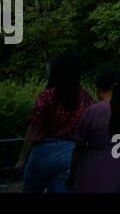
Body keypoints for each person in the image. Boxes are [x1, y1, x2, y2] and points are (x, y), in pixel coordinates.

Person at [16, 53, 93, 193]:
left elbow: (33, 128)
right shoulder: (86, 97)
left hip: (42, 151)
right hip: (70, 153)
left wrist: (22, 158)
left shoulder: (45, 96)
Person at [70, 67, 120, 193]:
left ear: (99, 87)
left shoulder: (91, 112)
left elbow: (79, 145)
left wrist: (71, 171)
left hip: (92, 172)